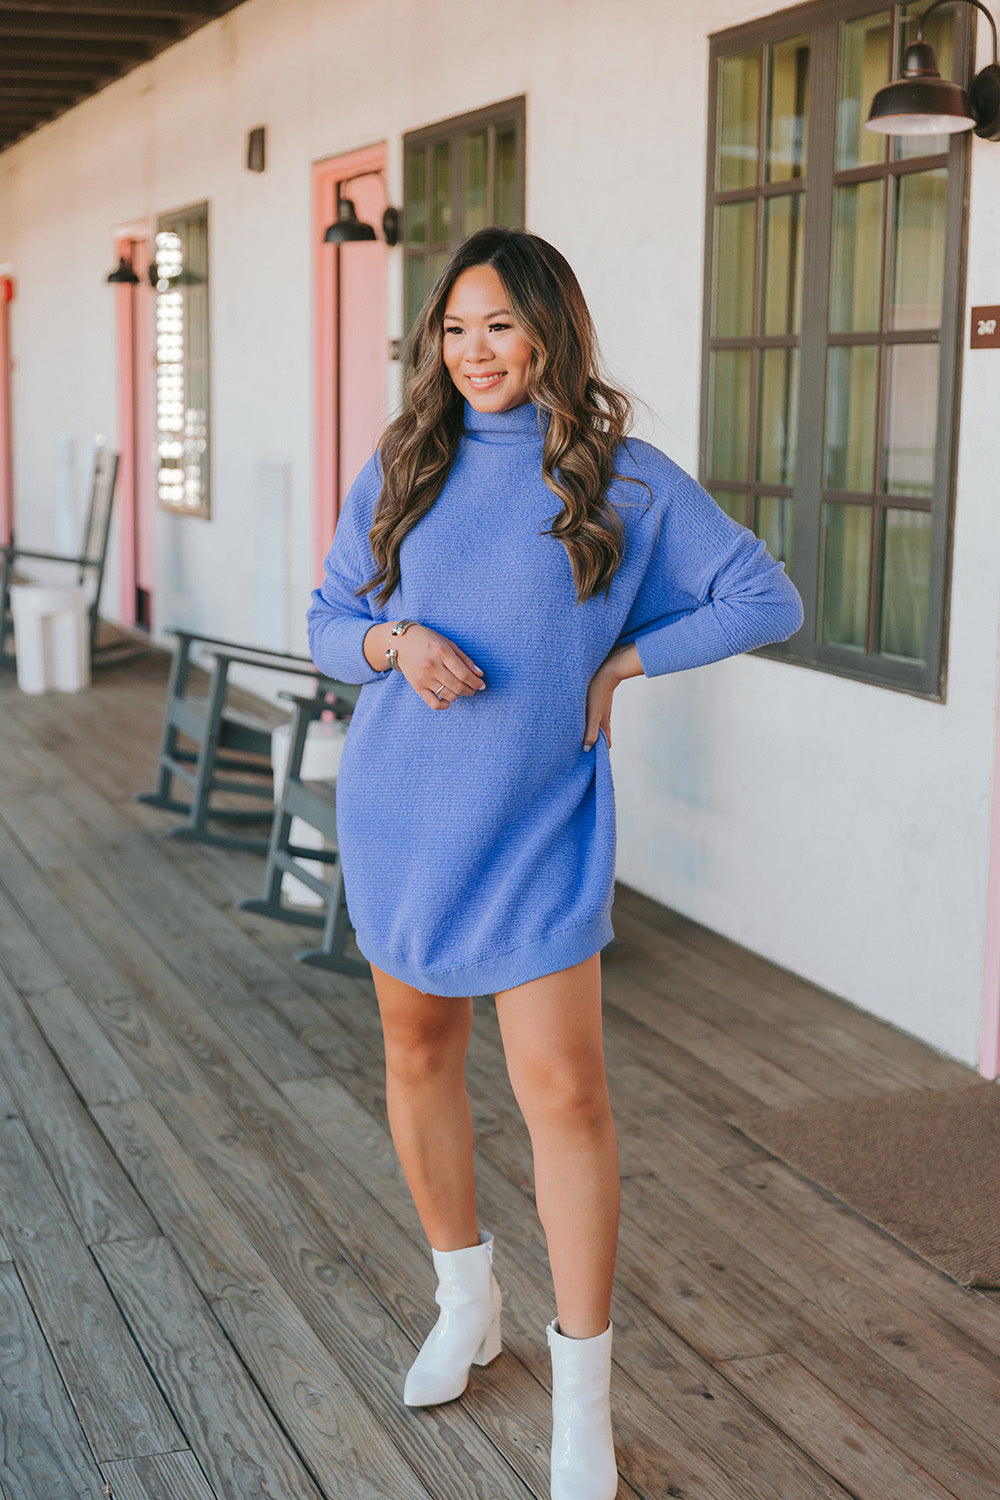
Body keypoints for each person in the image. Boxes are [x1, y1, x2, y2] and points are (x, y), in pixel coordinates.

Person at [307, 226, 803, 1500]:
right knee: (417, 1054)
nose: (475, 353)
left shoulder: (623, 481)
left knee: (566, 1098)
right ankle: (463, 1302)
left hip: (537, 825)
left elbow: (764, 596)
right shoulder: (403, 464)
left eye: (502, 328)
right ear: (436, 339)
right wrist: (390, 645)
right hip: (403, 808)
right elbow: (324, 618)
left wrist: (623, 660)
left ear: (550, 334)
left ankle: (581, 1398)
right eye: (455, 328)